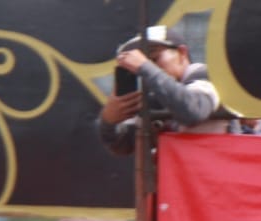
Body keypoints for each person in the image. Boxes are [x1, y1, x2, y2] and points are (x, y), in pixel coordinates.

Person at [97, 25, 238, 156]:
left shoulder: (204, 76)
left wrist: (146, 68)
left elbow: (193, 111)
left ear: (182, 53)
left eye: (154, 58)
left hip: (219, 171)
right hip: (179, 173)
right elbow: (122, 145)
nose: (147, 67)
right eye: (142, 63)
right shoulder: (157, 95)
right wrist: (108, 120)